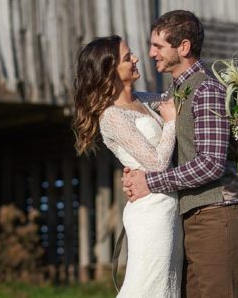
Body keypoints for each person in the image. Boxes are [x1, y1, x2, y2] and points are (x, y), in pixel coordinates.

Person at [122, 10, 238, 298]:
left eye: (158, 46)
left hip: (219, 215)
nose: (150, 53)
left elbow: (210, 165)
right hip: (193, 215)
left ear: (183, 47)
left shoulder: (206, 90)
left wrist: (150, 182)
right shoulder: (177, 91)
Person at [73, 35, 183, 297]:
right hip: (151, 213)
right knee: (147, 287)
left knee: (167, 288)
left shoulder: (141, 99)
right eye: (127, 58)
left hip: (169, 207)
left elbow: (176, 98)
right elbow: (156, 164)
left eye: (131, 53)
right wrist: (170, 122)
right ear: (110, 71)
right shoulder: (112, 116)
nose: (136, 58)